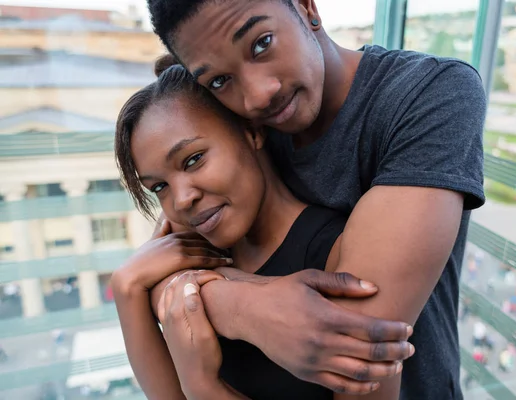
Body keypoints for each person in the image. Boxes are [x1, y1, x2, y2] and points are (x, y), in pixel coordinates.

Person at [143, 0, 486, 398]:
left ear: (307, 7)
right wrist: (237, 305)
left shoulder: (429, 94)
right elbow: (167, 263)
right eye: (220, 80)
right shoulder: (237, 127)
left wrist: (238, 306)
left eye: (261, 44)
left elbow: (354, 343)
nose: (257, 96)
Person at [112, 63, 414, 399]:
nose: (181, 199)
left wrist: (203, 385)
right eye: (159, 187)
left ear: (251, 131)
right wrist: (127, 286)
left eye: (193, 159)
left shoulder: (339, 255)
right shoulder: (191, 256)